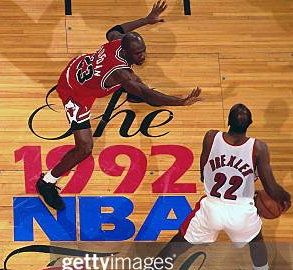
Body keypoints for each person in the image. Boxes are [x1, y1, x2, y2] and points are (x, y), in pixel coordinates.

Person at [36, 0, 203, 210]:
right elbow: (148, 95)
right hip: (73, 91)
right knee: (85, 147)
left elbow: (114, 30)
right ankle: (46, 182)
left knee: (135, 84)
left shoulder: (117, 41)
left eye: (143, 51)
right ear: (125, 52)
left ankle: (130, 95)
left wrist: (147, 20)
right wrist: (181, 102)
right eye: (138, 54)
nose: (142, 56)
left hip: (80, 65)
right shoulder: (121, 74)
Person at [127, 104, 292, 270]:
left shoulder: (211, 137)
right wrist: (285, 197)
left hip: (212, 208)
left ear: (228, 122)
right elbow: (271, 187)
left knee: (178, 243)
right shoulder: (258, 148)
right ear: (250, 124)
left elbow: (204, 173)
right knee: (256, 242)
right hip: (241, 210)